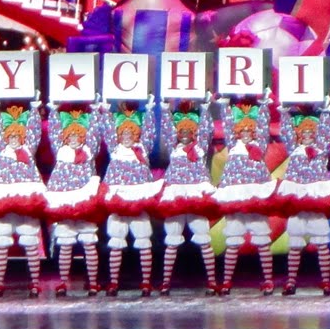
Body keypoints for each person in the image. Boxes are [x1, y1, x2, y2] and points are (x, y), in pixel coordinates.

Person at [213, 93, 280, 294]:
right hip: (236, 196)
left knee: (262, 240)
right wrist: (225, 105)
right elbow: (227, 123)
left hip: (256, 196)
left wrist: (264, 105)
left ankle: (268, 280)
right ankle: (227, 281)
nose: (246, 134)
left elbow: (264, 124)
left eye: (249, 131)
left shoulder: (259, 145)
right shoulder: (233, 145)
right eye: (242, 131)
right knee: (233, 241)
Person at [272, 100, 330, 295]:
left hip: (316, 197)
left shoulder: (321, 148)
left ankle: (325, 281)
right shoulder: (294, 149)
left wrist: (325, 112)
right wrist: (284, 113)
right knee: (295, 243)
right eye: (304, 133)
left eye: (311, 133)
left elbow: (326, 131)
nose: (308, 136)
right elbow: (286, 132)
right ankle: (291, 281)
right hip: (298, 198)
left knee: (322, 243)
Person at [97, 97, 162, 296]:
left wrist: (149, 110)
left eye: (130, 133)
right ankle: (113, 282)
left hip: (138, 199)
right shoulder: (115, 149)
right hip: (118, 199)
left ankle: (146, 282)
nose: (126, 136)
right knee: (116, 241)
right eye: (123, 133)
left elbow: (149, 132)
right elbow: (108, 130)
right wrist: (105, 111)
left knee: (143, 240)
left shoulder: (142, 149)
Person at [154, 97, 219, 295]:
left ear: (194, 133)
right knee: (172, 239)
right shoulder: (173, 148)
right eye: (181, 131)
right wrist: (165, 110)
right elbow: (166, 130)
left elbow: (207, 130)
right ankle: (165, 282)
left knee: (204, 238)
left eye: (188, 131)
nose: (184, 135)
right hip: (175, 193)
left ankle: (212, 281)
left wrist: (206, 109)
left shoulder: (200, 148)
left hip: (196, 193)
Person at [44, 99, 107, 296]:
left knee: (89, 242)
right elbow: (54, 131)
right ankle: (63, 282)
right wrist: (53, 112)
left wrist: (95, 113)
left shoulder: (89, 150)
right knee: (65, 243)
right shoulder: (61, 151)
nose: (74, 139)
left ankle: (93, 282)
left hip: (85, 199)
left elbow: (95, 134)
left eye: (77, 135)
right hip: (64, 201)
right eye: (70, 136)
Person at [0, 100, 47, 296]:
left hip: (27, 200)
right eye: (10, 136)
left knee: (31, 242)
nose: (13, 139)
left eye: (17, 136)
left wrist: (34, 110)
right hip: (4, 200)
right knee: (2, 242)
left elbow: (35, 131)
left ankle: (35, 282)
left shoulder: (28, 150)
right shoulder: (2, 150)